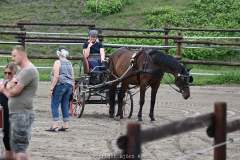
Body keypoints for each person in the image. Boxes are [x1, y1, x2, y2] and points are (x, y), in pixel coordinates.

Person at [0, 45, 39, 160]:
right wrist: (9, 88)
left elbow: (13, 91)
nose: (12, 58)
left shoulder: (29, 70)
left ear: (21, 55)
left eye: (14, 56)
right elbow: (9, 87)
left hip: (22, 114)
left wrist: (8, 89)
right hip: (18, 113)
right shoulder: (22, 71)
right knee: (19, 145)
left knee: (20, 147)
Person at [46, 46, 74, 132]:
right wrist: (72, 88)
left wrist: (51, 88)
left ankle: (55, 126)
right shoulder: (69, 63)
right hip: (69, 86)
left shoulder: (57, 62)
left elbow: (56, 76)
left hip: (60, 85)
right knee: (65, 105)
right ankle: (66, 126)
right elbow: (73, 77)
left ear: (58, 53)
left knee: (54, 105)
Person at [0, 62, 19, 159]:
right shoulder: (6, 83)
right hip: (5, 114)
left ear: (14, 73)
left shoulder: (15, 84)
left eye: (9, 73)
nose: (7, 75)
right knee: (6, 140)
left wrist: (3, 90)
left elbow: (13, 100)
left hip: (13, 115)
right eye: (5, 73)